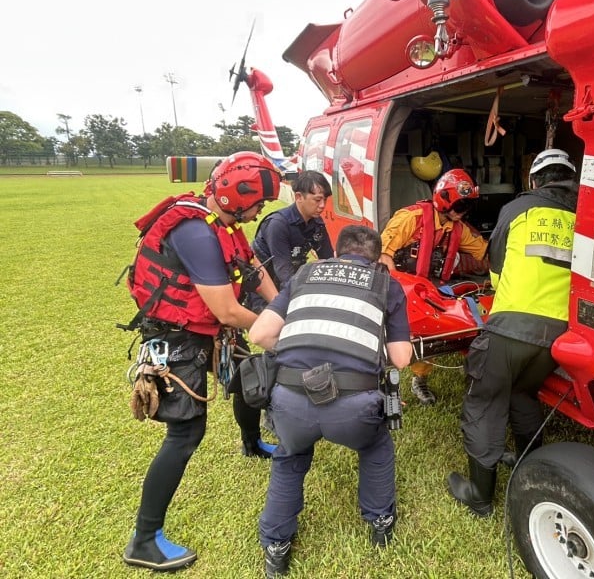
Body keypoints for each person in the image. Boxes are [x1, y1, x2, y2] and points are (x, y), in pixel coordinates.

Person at [121, 152, 282, 571]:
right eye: (257, 204)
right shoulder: (196, 233)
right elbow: (229, 311)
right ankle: (143, 540)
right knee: (185, 434)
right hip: (179, 338)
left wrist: (284, 304)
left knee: (251, 379)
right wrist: (276, 326)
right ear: (233, 198)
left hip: (210, 330)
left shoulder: (222, 225)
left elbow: (253, 270)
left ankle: (251, 444)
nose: (258, 212)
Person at [248, 225, 412, 578]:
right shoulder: (387, 284)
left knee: (290, 457)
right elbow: (401, 358)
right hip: (355, 407)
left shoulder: (305, 274)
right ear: (375, 257)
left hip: (290, 400)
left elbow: (259, 334)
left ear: (337, 253)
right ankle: (380, 522)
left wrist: (295, 349)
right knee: (375, 446)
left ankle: (276, 547)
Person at [447, 148, 578, 517]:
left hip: (511, 326)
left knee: (484, 401)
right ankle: (529, 469)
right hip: (558, 336)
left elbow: (495, 269)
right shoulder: (584, 214)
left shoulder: (519, 209)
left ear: (534, 180)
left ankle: (480, 495)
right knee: (523, 394)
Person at [379, 168, 489, 405]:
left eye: (466, 208)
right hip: (401, 290)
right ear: (444, 199)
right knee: (391, 342)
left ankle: (420, 379)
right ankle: (380, 384)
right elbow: (383, 256)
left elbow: (484, 251)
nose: (462, 213)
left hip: (429, 292)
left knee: (434, 335)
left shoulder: (458, 229)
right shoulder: (412, 218)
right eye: (460, 207)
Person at [248, 170, 333, 312]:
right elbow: (283, 272)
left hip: (291, 282)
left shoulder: (317, 223)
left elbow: (328, 258)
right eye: (317, 200)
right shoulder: (278, 224)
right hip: (263, 289)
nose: (323, 205)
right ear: (299, 197)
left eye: (325, 199)